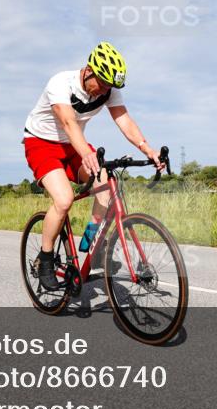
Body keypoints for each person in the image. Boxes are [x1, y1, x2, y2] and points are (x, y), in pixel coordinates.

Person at [22, 42, 162, 289]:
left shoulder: (108, 90)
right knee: (64, 200)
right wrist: (86, 152)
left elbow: (124, 120)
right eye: (102, 84)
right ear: (88, 70)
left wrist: (146, 148)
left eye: (109, 87)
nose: (104, 91)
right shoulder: (60, 83)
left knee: (106, 182)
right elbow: (67, 122)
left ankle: (91, 245)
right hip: (41, 144)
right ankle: (44, 260)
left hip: (72, 145)